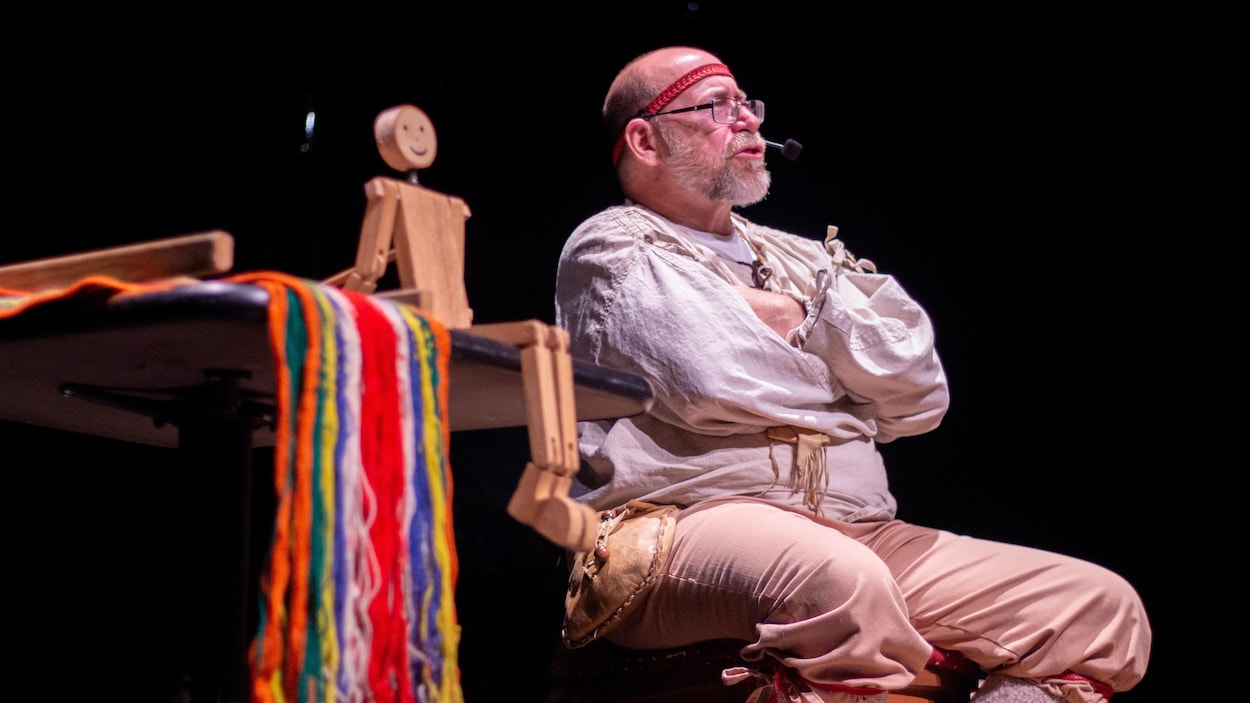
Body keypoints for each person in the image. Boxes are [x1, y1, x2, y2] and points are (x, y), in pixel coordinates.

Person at [552, 46, 1151, 703]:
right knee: (838, 580)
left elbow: (919, 392)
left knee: (1098, 606)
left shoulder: (801, 255)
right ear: (644, 137)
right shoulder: (611, 245)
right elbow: (711, 380)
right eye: (718, 106)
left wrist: (791, 320)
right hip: (681, 528)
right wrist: (845, 383)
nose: (749, 121)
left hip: (854, 527)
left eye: (748, 104)